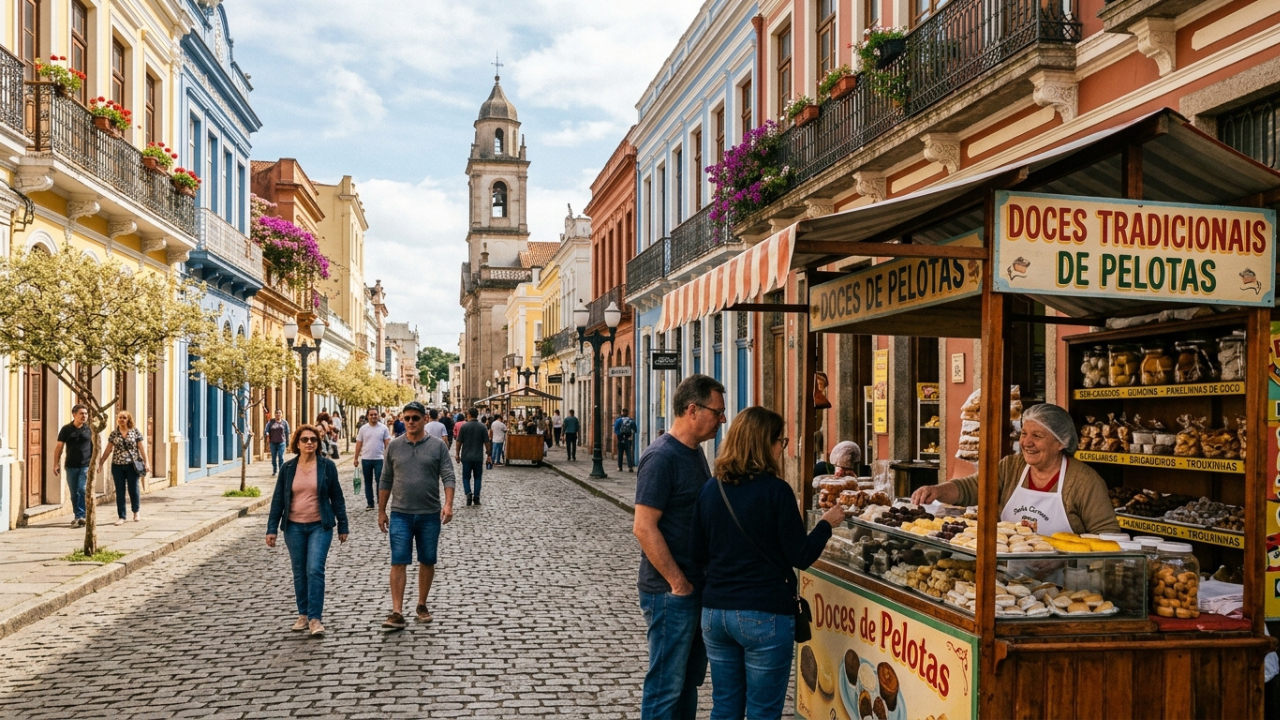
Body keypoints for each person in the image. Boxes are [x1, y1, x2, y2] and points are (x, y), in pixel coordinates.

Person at [694, 407, 843, 719]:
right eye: (781, 441)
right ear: (765, 444)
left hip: (716, 614)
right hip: (763, 612)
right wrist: (826, 524)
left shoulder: (710, 489)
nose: (782, 448)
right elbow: (800, 555)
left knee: (724, 706)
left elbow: (697, 553)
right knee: (763, 711)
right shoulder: (776, 491)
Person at [633, 374, 727, 719]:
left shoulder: (693, 453)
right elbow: (644, 527)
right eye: (717, 412)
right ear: (692, 410)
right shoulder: (662, 457)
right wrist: (678, 582)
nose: (722, 419)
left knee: (687, 681)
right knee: (666, 684)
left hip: (694, 587)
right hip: (670, 593)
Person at [911, 403, 1121, 534]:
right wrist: (937, 491)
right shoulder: (1012, 466)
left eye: (1037, 436)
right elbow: (974, 487)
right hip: (1010, 578)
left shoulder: (1084, 482)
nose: (1026, 443)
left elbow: (1108, 536)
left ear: (1061, 443)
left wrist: (1067, 559)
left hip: (1068, 583)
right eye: (1023, 434)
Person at [378, 401, 457, 630]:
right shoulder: (394, 446)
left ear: (424, 420)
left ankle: (422, 604)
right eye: (407, 418)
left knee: (427, 560)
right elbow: (385, 480)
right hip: (400, 513)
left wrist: (448, 504)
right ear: (402, 420)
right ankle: (396, 611)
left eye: (415, 418)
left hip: (429, 514)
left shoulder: (437, 446)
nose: (411, 422)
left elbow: (448, 476)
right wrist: (381, 511)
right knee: (398, 560)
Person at [265, 424, 349, 637]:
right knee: (299, 572)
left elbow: (337, 497)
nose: (310, 442)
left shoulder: (327, 466)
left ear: (318, 443)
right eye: (305, 440)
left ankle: (314, 618)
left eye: (313, 439)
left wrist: (343, 524)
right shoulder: (288, 468)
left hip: (319, 526)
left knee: (314, 569)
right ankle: (302, 614)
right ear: (297, 443)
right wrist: (271, 528)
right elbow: (278, 500)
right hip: (293, 527)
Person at [96, 410, 148, 525]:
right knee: (120, 491)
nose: (121, 420)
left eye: (124, 418)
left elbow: (141, 448)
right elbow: (108, 449)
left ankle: (136, 511)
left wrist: (146, 462)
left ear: (128, 419)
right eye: (119, 418)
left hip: (132, 466)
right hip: (117, 466)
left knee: (133, 489)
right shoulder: (114, 434)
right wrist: (101, 462)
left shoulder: (135, 432)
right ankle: (121, 516)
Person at [53, 404, 94, 528]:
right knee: (73, 492)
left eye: (86, 414)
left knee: (82, 489)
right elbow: (59, 447)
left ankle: (82, 515)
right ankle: (78, 515)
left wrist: (96, 463)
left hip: (85, 465)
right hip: (71, 465)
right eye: (81, 413)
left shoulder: (89, 429)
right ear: (74, 414)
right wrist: (56, 463)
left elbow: (94, 446)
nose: (84, 416)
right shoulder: (66, 429)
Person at [354, 408, 392, 510]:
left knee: (380, 481)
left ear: (378, 415)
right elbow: (359, 443)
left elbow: (387, 443)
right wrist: (356, 457)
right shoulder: (363, 429)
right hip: (366, 458)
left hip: (379, 458)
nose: (373, 416)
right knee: (368, 481)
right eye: (371, 415)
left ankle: (380, 502)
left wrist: (388, 458)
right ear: (367, 416)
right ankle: (370, 503)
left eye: (375, 414)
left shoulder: (383, 428)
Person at [455, 408, 491, 507]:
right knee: (478, 477)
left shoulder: (464, 427)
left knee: (466, 477)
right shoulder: (482, 427)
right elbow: (487, 442)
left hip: (466, 456)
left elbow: (459, 441)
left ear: (469, 415)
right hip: (478, 457)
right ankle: (477, 497)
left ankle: (468, 494)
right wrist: (489, 455)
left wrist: (457, 453)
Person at [265, 410, 291, 475]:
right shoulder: (270, 422)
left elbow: (287, 433)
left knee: (281, 457)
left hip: (282, 442)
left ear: (282, 414)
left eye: (279, 413)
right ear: (275, 414)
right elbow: (266, 430)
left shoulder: (285, 422)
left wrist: (288, 442)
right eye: (276, 413)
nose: (278, 414)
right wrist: (267, 433)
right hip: (273, 442)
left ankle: (281, 471)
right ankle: (274, 470)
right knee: (273, 457)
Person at [614, 408, 637, 472]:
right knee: (628, 453)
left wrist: (619, 434)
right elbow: (635, 430)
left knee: (620, 453)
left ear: (622, 412)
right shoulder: (631, 420)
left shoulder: (618, 420)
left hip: (620, 438)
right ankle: (630, 467)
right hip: (628, 438)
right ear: (627, 413)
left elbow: (615, 429)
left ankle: (619, 467)